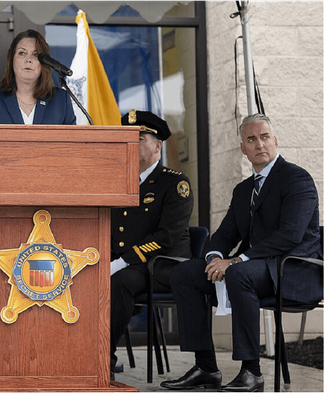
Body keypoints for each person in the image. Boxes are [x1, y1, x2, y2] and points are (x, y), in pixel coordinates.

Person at [160, 113, 322, 392]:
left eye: (265, 137)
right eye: (251, 139)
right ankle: (206, 367)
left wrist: (235, 259)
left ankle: (252, 372)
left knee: (238, 274)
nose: (259, 144)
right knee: (186, 272)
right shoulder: (243, 190)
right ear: (243, 148)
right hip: (256, 268)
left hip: (294, 269)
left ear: (275, 140)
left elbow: (290, 235)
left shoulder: (297, 179)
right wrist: (213, 258)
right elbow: (225, 234)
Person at [109, 110, 194, 376]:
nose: (131, 144)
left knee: (119, 281)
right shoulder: (117, 182)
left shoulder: (174, 183)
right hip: (126, 264)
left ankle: (101, 357)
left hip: (162, 266)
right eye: (127, 137)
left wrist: (121, 261)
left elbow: (166, 237)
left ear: (157, 145)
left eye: (140, 138)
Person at [0, 29, 76, 125]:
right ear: (12, 60)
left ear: (44, 64)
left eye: (36, 55)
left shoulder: (61, 100)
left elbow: (73, 143)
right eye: (22, 53)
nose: (28, 59)